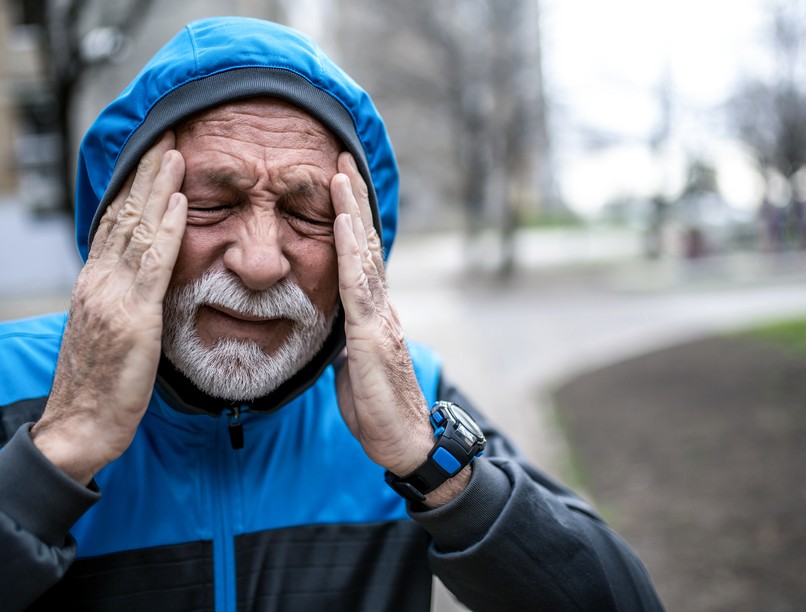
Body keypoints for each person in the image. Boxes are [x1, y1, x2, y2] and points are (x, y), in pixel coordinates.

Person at [0, 17, 663, 611]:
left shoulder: (412, 397)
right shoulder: (10, 383)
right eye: (211, 203)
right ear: (123, 224)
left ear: (361, 252)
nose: (260, 263)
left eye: (306, 214)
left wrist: (430, 466)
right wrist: (60, 451)